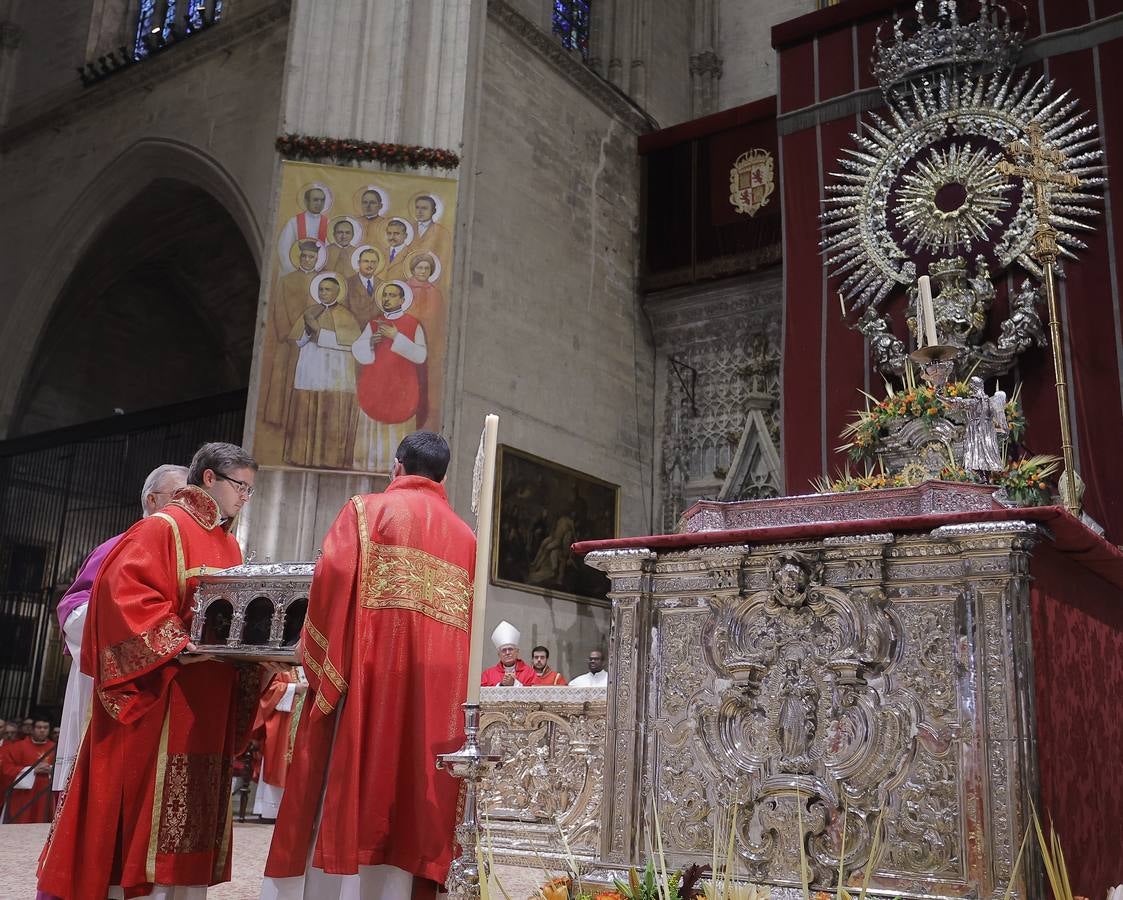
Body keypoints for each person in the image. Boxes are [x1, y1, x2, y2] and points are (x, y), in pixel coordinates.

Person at [38, 442, 269, 900]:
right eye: (240, 486)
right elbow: (123, 599)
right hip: (164, 701)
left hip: (206, 704)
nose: (245, 497)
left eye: (250, 490)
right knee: (146, 825)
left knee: (189, 831)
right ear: (208, 479)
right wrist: (182, 645)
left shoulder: (228, 544)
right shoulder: (161, 529)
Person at [262, 431, 476, 900]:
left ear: (397, 466)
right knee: (415, 798)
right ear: (443, 475)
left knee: (353, 788)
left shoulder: (367, 511)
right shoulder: (468, 539)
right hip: (434, 706)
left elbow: (332, 581)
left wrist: (323, 673)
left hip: (367, 689)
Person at [52, 464, 189, 792]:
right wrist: (147, 636)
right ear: (153, 501)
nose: (189, 504)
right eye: (179, 496)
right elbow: (75, 610)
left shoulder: (185, 553)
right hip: (113, 681)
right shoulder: (119, 547)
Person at [283, 276, 363, 471]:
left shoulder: (346, 316)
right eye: (321, 289)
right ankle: (302, 456)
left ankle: (332, 459)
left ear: (337, 293)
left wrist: (318, 332)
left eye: (328, 290)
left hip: (335, 373)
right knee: (307, 410)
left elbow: (351, 344)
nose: (324, 293)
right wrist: (308, 332)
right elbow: (298, 341)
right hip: (310, 370)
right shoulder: (310, 312)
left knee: (332, 413)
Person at [352, 282, 429, 472]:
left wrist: (396, 336)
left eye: (393, 295)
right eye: (385, 295)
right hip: (375, 386)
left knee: (397, 435)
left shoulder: (412, 324)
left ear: (402, 300)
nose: (387, 298)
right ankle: (370, 466)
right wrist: (370, 341)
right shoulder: (373, 323)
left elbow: (420, 355)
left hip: (401, 388)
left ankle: (397, 471)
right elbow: (358, 351)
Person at [265, 240, 326, 427]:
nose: (307, 260)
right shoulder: (287, 280)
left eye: (312, 257)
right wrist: (287, 333)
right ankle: (279, 419)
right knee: (283, 377)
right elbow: (279, 308)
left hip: (311, 340)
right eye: (305, 256)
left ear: (317, 259)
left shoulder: (321, 283)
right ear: (299, 257)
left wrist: (314, 331)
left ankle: (300, 423)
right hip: (289, 338)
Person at [252, 666, 307, 821]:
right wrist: (294, 688)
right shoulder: (282, 666)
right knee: (280, 763)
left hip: (303, 725)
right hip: (282, 725)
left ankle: (296, 811)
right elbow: (267, 691)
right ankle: (271, 811)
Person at [0, 718, 56, 823]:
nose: (42, 730)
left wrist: (51, 769)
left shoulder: (55, 748)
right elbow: (6, 770)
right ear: (32, 729)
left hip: (46, 796)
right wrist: (32, 770)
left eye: (45, 728)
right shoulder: (17, 747)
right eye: (39, 727)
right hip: (23, 796)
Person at [278, 185, 331, 273]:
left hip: (320, 273)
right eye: (315, 200)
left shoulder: (329, 224)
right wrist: (294, 270)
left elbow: (331, 251)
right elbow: (283, 249)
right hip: (296, 271)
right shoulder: (294, 222)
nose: (319, 203)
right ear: (306, 201)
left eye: (322, 200)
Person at [480, 621, 535, 687]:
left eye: (510, 649)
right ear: (499, 655)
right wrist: (501, 685)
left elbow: (535, 694)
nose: (507, 653)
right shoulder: (488, 674)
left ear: (517, 652)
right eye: (504, 650)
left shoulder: (529, 673)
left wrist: (515, 683)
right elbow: (481, 693)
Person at [409, 195, 451, 274]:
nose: (420, 211)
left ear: (433, 211)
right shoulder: (409, 228)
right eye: (417, 208)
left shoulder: (442, 232)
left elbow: (443, 259)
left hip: (429, 275)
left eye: (424, 208)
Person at [345, 246, 384, 326]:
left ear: (377, 264)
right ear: (359, 263)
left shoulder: (383, 285)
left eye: (373, 262)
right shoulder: (347, 284)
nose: (370, 265)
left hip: (376, 331)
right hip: (354, 331)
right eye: (366, 261)